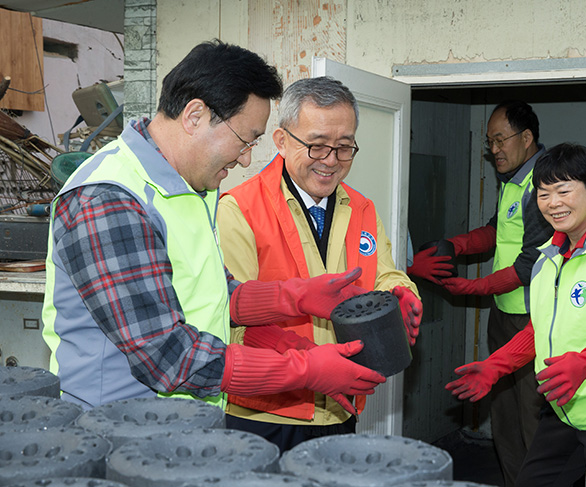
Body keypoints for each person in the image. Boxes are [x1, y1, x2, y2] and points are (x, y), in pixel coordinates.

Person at [41, 40, 386, 412]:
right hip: (120, 430)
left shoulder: (191, 186)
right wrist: (304, 370)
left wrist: (296, 297)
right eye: (245, 140)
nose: (246, 158)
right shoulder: (109, 198)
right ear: (194, 116)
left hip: (182, 425)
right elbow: (168, 355)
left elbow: (217, 292)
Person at [446, 143, 586, 486]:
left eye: (564, 190)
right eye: (543, 193)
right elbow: (544, 329)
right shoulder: (549, 254)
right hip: (567, 406)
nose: (553, 203)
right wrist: (497, 365)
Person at [217, 76, 422, 452]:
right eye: (317, 146)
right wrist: (311, 362)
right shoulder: (240, 209)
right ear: (281, 141)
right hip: (268, 416)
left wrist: (401, 293)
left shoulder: (361, 207)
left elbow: (384, 274)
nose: (331, 161)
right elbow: (230, 320)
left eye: (344, 148)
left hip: (340, 409)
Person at [408, 100, 553, 486]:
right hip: (505, 314)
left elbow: (530, 264)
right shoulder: (514, 181)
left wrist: (475, 287)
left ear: (526, 138)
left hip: (532, 323)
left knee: (531, 418)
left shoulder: (545, 184)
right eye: (489, 142)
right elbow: (496, 230)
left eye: (500, 140)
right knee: (504, 416)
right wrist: (455, 245)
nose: (494, 150)